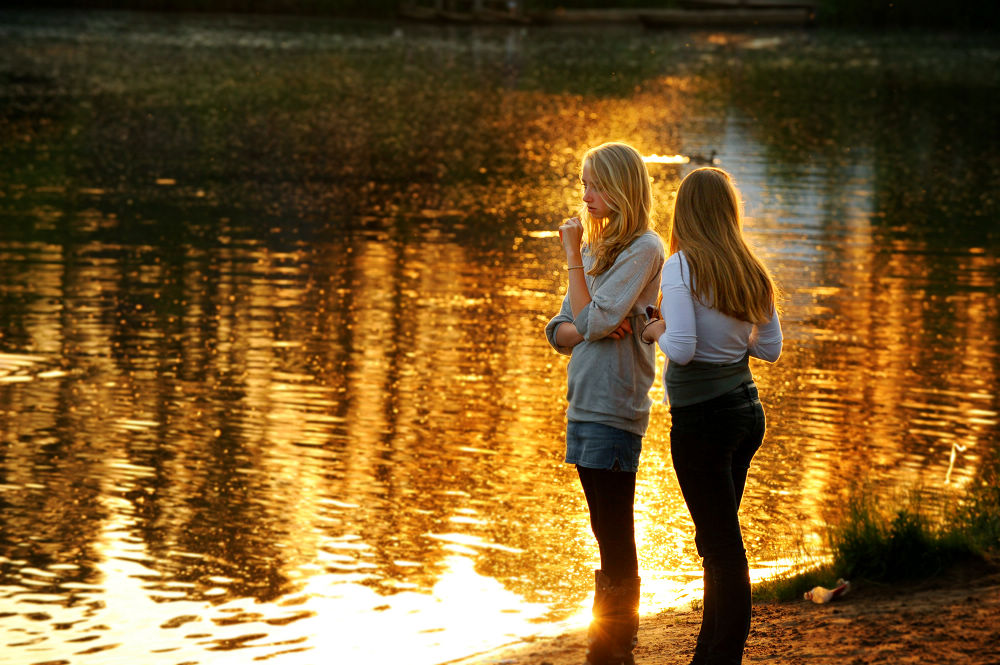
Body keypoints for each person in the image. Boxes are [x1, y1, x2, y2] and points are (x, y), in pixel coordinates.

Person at [640, 167, 782, 665]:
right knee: (715, 538)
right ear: (728, 211)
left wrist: (655, 330)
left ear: (686, 212)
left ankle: (722, 657)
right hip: (747, 413)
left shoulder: (680, 268)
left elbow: (680, 349)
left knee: (722, 546)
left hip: (703, 422)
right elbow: (770, 348)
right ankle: (709, 650)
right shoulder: (750, 267)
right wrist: (729, 338)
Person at [545, 142, 665, 665]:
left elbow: (590, 319)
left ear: (620, 187)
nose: (586, 196)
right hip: (583, 399)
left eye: (594, 184)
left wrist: (573, 267)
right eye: (583, 183)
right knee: (600, 522)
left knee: (614, 523)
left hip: (615, 401)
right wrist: (581, 325)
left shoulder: (643, 247)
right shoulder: (600, 248)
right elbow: (561, 326)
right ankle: (612, 638)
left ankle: (615, 640)